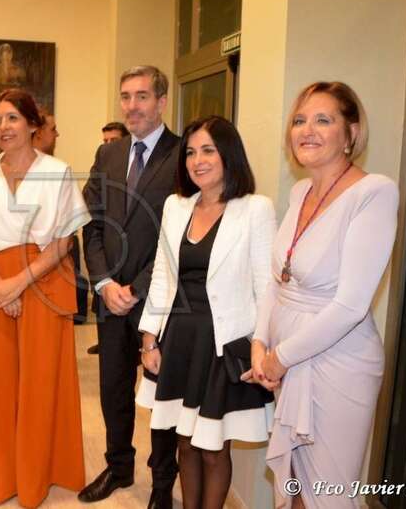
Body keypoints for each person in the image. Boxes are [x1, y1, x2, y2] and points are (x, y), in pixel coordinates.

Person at [248, 81, 398, 508]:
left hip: (338, 366)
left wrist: (278, 358)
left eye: (323, 120)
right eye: (299, 120)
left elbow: (350, 306)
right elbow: (278, 280)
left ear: (351, 133)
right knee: (294, 483)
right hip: (288, 360)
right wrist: (259, 343)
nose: (307, 130)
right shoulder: (300, 191)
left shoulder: (374, 193)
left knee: (327, 495)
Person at [136, 116, 276, 509]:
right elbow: (162, 275)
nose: (197, 161)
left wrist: (260, 347)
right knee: (184, 442)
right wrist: (148, 339)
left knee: (214, 448)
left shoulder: (255, 209)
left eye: (208, 151)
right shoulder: (176, 206)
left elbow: (266, 288)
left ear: (228, 154)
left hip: (223, 344)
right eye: (191, 152)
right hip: (179, 338)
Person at [0, 88, 89, 508]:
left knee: (39, 383)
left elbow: (64, 241)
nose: (4, 127)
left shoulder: (58, 171)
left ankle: (38, 476)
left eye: (13, 118)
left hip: (43, 282)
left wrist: (18, 283)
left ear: (33, 124)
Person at [81, 65, 180, 508]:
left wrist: (137, 288)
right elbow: (91, 223)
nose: (132, 105)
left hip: (159, 299)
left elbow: (180, 236)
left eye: (142, 96)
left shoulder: (184, 156)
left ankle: (161, 484)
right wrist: (103, 282)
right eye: (126, 96)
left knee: (160, 394)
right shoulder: (109, 154)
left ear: (162, 101)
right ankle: (118, 468)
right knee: (113, 389)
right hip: (109, 299)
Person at [87, 120, 131, 356]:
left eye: (113, 140)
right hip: (107, 270)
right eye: (105, 141)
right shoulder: (102, 164)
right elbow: (91, 218)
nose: (108, 145)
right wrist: (104, 281)